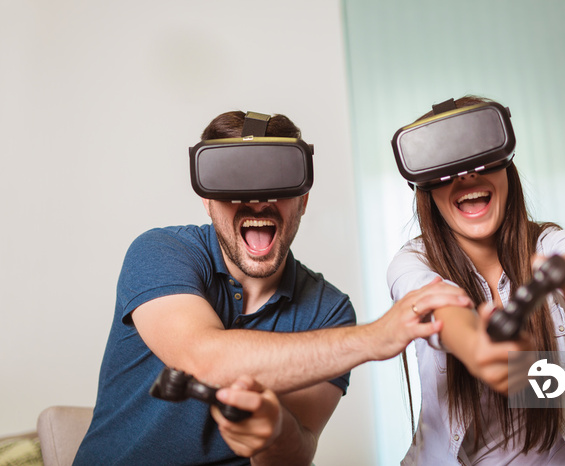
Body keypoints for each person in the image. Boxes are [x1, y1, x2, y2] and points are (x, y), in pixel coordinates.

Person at [74, 110, 471, 465]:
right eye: (234, 184)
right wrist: (376, 337)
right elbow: (203, 358)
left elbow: (294, 455)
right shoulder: (161, 253)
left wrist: (274, 428)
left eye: (276, 183)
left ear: (304, 200)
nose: (259, 200)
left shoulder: (328, 311)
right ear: (207, 201)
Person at [387, 95, 565, 465]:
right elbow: (436, 306)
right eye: (448, 168)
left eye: (480, 159)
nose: (467, 176)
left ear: (506, 165)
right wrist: (473, 344)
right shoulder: (412, 262)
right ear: (426, 190)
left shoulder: (545, 243)